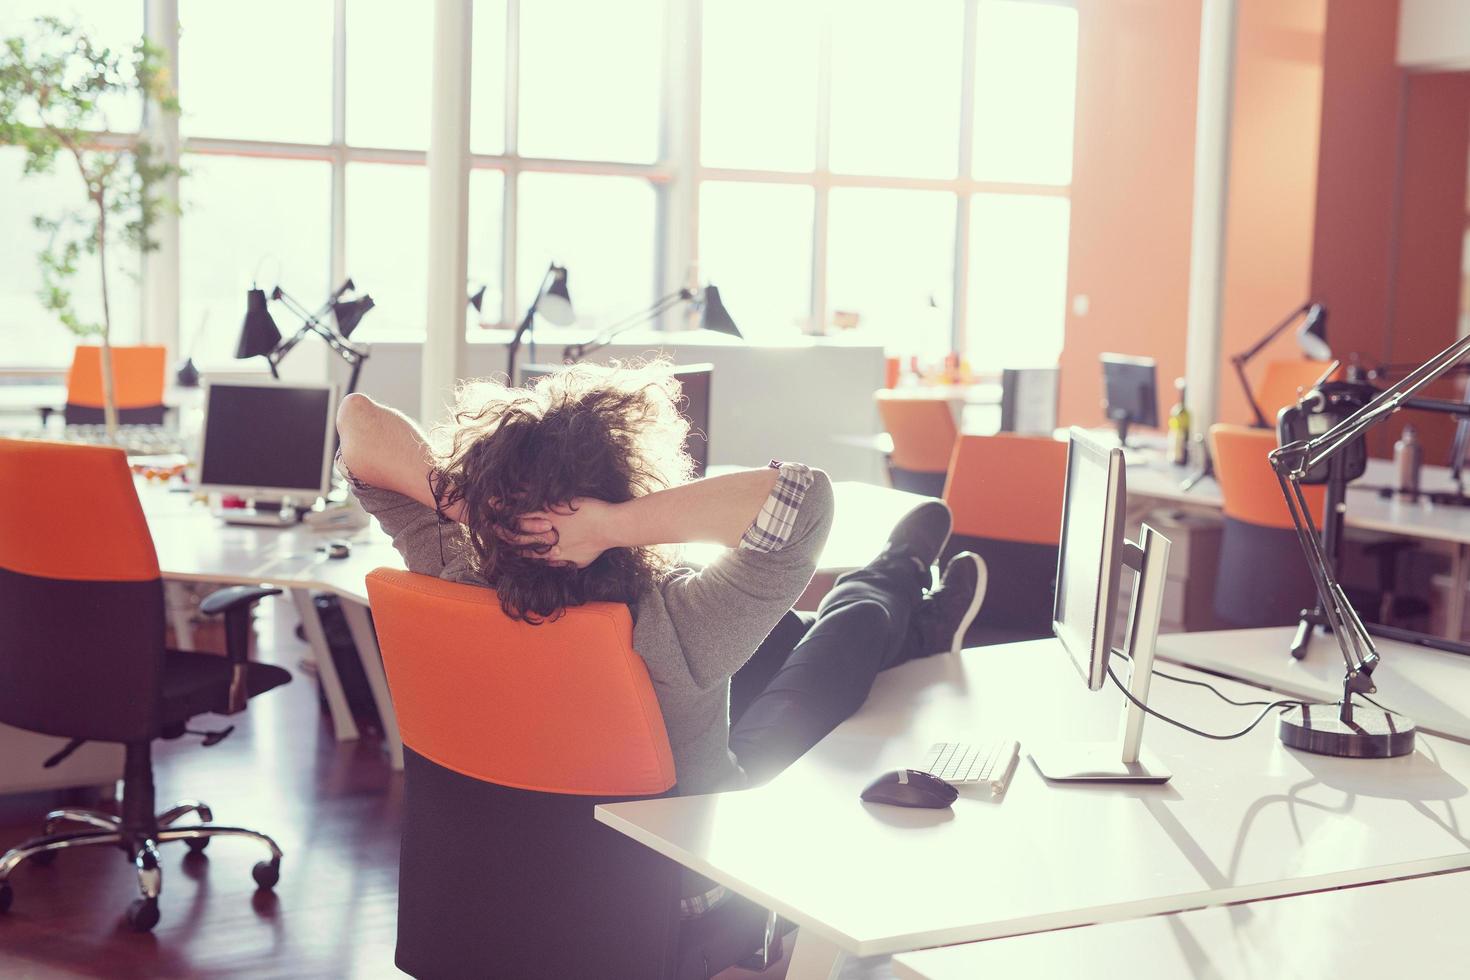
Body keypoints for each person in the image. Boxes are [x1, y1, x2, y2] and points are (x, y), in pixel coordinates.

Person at [335, 363, 985, 908]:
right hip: (678, 887)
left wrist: (471, 503)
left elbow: (357, 423)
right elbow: (803, 498)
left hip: (503, 888)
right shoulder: (671, 627)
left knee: (781, 633)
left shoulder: (448, 569)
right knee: (818, 667)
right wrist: (609, 527)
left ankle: (897, 609)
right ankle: (897, 584)